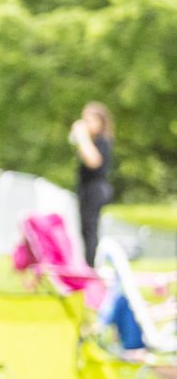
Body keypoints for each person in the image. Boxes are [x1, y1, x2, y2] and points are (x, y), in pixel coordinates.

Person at [73, 102, 117, 267]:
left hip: (96, 188)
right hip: (88, 188)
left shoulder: (101, 141)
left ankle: (91, 267)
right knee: (85, 228)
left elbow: (93, 161)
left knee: (90, 229)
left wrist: (82, 136)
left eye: (88, 120)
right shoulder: (94, 141)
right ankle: (88, 264)